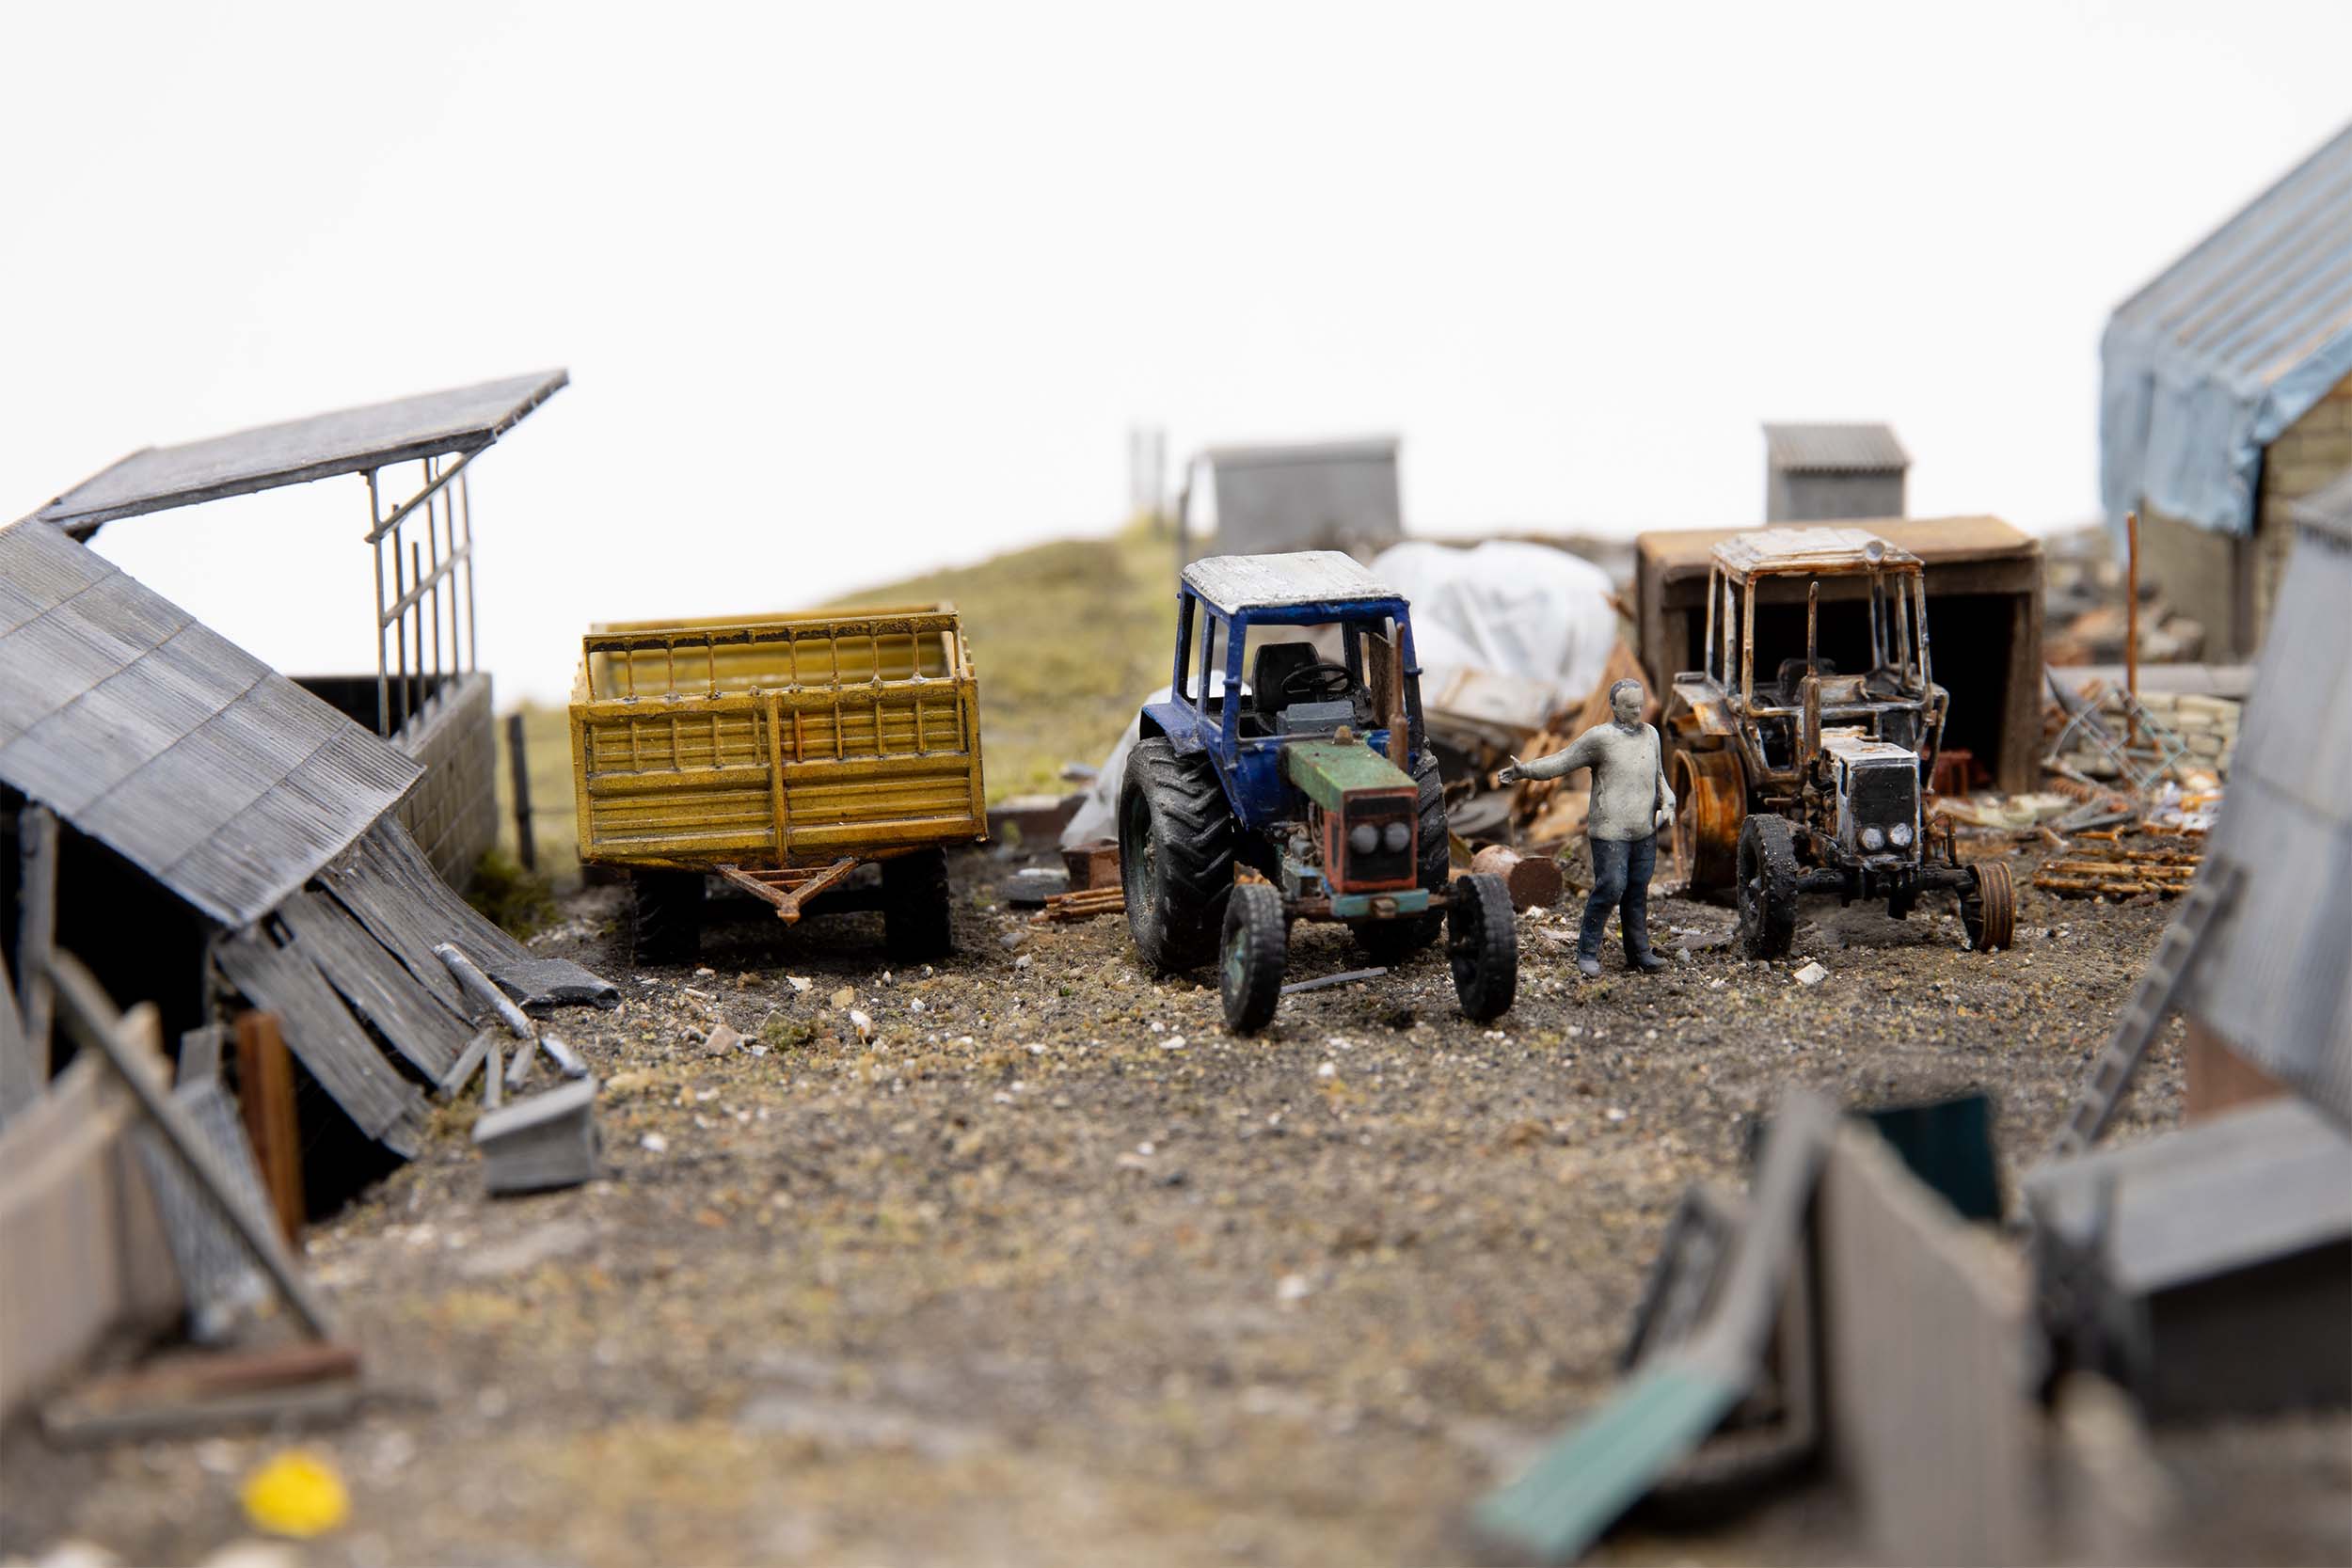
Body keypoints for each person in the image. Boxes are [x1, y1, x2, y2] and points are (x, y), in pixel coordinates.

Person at [1497, 677, 1676, 977]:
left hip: (1644, 830)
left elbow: (1659, 777)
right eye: (1630, 707)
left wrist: (1667, 800)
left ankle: (1639, 951)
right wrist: (1525, 771)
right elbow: (1562, 761)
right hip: (1611, 833)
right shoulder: (1600, 739)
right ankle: (1588, 951)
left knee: (1637, 891)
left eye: (1640, 706)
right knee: (1611, 887)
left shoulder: (1651, 735)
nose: (1637, 712)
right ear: (1614, 706)